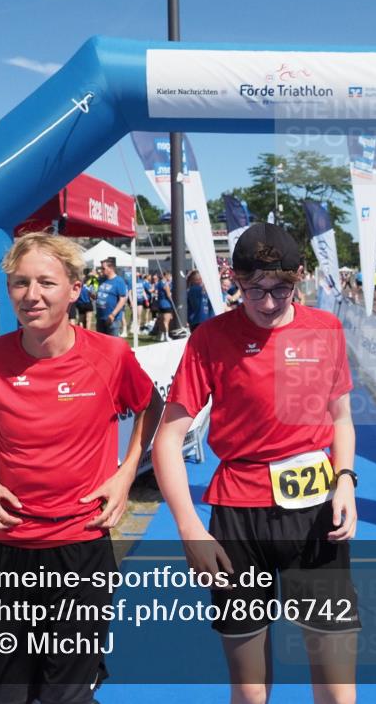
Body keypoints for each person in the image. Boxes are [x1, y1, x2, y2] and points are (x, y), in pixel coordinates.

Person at [152, 223, 360, 704]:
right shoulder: (211, 338)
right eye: (253, 291)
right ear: (234, 279)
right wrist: (190, 530)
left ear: (300, 277)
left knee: (336, 687)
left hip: (316, 518)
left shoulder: (325, 329)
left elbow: (341, 418)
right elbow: (167, 439)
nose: (267, 303)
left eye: (280, 290)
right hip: (238, 521)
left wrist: (345, 479)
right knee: (249, 690)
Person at [0, 232, 163, 704]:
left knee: (65, 695)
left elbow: (152, 406)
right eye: (20, 283)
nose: (32, 295)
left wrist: (126, 471)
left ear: (74, 288)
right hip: (12, 549)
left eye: (46, 282)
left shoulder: (109, 356)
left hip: (81, 549)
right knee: (7, 695)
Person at [95, 257, 128, 337]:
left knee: (112, 345)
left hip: (112, 319)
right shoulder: (101, 280)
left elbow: (122, 299)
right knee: (101, 344)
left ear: (111, 268)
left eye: (103, 268)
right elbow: (100, 295)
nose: (101, 270)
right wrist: (93, 296)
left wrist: (113, 315)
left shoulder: (119, 281)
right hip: (100, 317)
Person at [156, 271, 175, 341]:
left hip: (160, 303)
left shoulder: (159, 283)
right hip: (166, 304)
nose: (169, 277)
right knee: (166, 321)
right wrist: (172, 302)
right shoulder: (165, 284)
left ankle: (161, 335)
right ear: (166, 275)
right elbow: (168, 294)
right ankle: (166, 336)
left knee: (161, 320)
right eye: (169, 275)